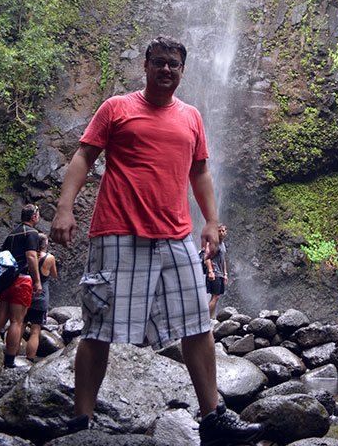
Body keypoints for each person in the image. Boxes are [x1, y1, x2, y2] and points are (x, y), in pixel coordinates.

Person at [51, 36, 263, 443]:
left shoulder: (192, 117)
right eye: (160, 62)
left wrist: (210, 221)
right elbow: (83, 157)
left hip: (177, 235)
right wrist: (64, 208)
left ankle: (213, 416)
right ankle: (81, 421)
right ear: (146, 65)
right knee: (98, 328)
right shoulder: (116, 108)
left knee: (198, 324)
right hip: (118, 232)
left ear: (183, 71)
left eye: (174, 65)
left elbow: (199, 172)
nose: (167, 70)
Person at [0, 203, 42, 368]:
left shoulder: (12, 233)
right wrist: (37, 281)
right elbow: (31, 256)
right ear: (34, 217)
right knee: (17, 321)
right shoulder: (32, 233)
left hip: (6, 280)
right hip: (21, 279)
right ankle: (9, 360)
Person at [25, 233, 57, 362]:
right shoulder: (50, 258)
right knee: (35, 330)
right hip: (41, 296)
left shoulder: (28, 256)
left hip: (26, 292)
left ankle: (11, 355)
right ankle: (29, 360)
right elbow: (54, 275)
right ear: (46, 244)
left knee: (19, 324)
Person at [206, 224, 228, 318]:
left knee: (215, 297)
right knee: (215, 296)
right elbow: (207, 257)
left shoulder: (222, 245)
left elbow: (223, 260)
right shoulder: (213, 243)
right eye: (219, 231)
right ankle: (206, 319)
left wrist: (225, 274)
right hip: (214, 272)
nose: (221, 233)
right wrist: (210, 271)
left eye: (223, 231)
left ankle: (211, 317)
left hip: (220, 274)